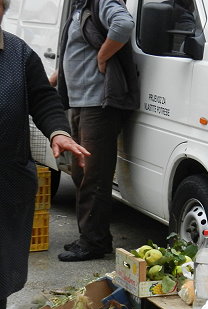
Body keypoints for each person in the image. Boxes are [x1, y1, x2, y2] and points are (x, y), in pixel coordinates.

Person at [0, 0, 90, 309]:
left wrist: (58, 131)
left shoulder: (18, 54)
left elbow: (44, 98)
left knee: (3, 268)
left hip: (8, 182)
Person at [55, 0, 139, 262]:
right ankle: (92, 237)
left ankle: (93, 243)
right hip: (80, 102)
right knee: (80, 172)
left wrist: (103, 56)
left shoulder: (102, 1)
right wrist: (54, 79)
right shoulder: (79, 7)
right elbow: (75, 51)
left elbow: (123, 23)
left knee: (94, 174)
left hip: (99, 104)